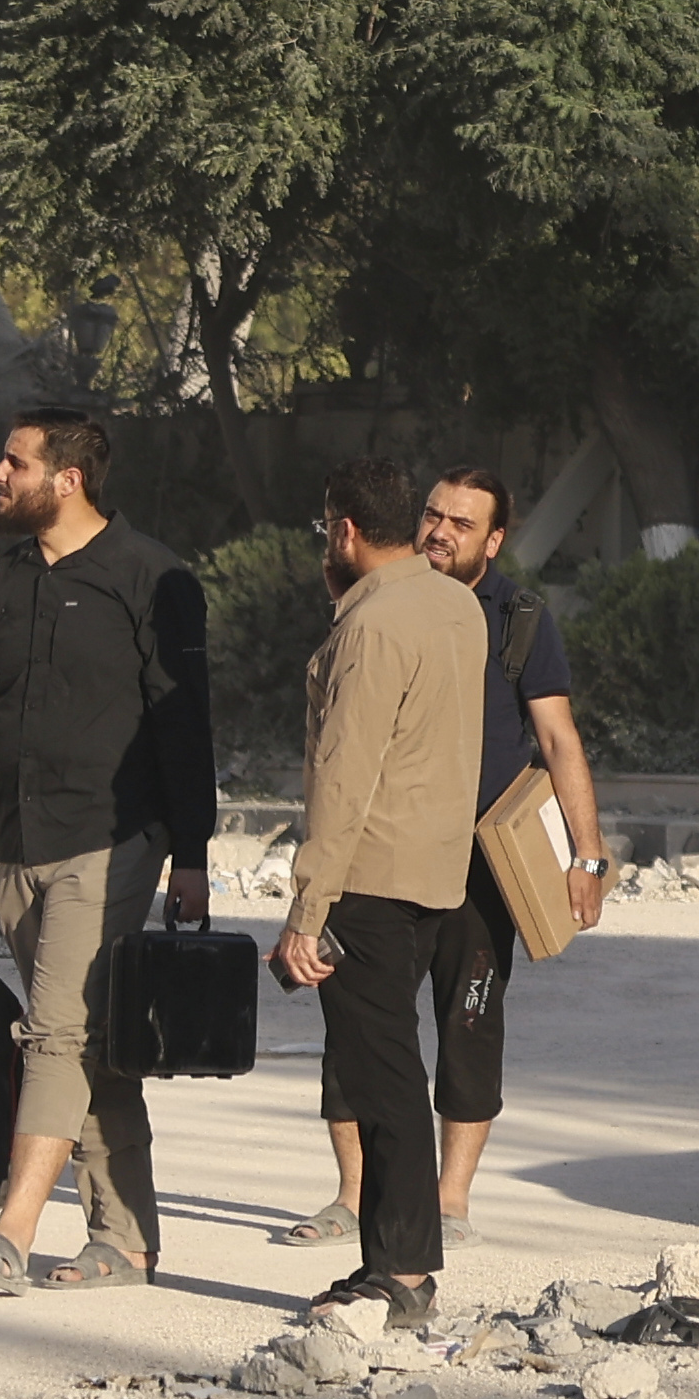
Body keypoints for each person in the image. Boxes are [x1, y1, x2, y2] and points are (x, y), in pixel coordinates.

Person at [0, 408, 213, 1292]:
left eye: (15, 463)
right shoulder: (6, 582)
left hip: (113, 840)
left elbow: (185, 724)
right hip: (20, 843)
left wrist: (189, 855)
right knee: (89, 1041)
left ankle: (11, 1233)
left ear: (68, 477)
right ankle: (124, 1241)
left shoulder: (153, 578)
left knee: (52, 1034)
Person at [280, 466, 608, 1249]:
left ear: (494, 540)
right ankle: (356, 1195)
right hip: (391, 854)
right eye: (432, 515)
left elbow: (559, 739)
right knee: (360, 1027)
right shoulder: (385, 604)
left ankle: (448, 1201)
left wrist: (587, 854)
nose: (440, 532)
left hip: (482, 863)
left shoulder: (516, 620)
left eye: (462, 524)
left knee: (469, 1024)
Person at [279, 456, 482, 1327]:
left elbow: (344, 772)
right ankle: (391, 1261)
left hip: (368, 871)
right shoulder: (458, 604)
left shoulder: (370, 626)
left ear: (345, 530)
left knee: (381, 1073)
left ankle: (400, 1270)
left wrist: (305, 909)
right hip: (436, 870)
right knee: (394, 1065)